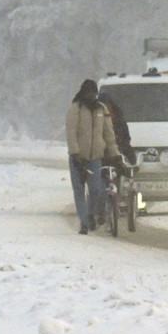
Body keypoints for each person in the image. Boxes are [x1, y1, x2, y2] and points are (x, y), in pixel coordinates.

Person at [66, 79, 119, 234]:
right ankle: (83, 223)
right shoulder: (76, 109)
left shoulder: (101, 109)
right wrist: (75, 153)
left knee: (96, 189)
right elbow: (71, 133)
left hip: (95, 158)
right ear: (83, 92)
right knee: (79, 190)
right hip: (78, 157)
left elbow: (109, 134)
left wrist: (114, 154)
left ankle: (90, 214)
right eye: (89, 92)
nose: (92, 95)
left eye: (94, 92)